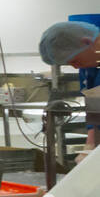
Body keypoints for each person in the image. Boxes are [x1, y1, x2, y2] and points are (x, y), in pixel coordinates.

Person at [39, 19, 100, 156]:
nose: (76, 67)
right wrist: (90, 146)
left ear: (87, 42)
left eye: (75, 61)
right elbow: (96, 112)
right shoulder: (90, 67)